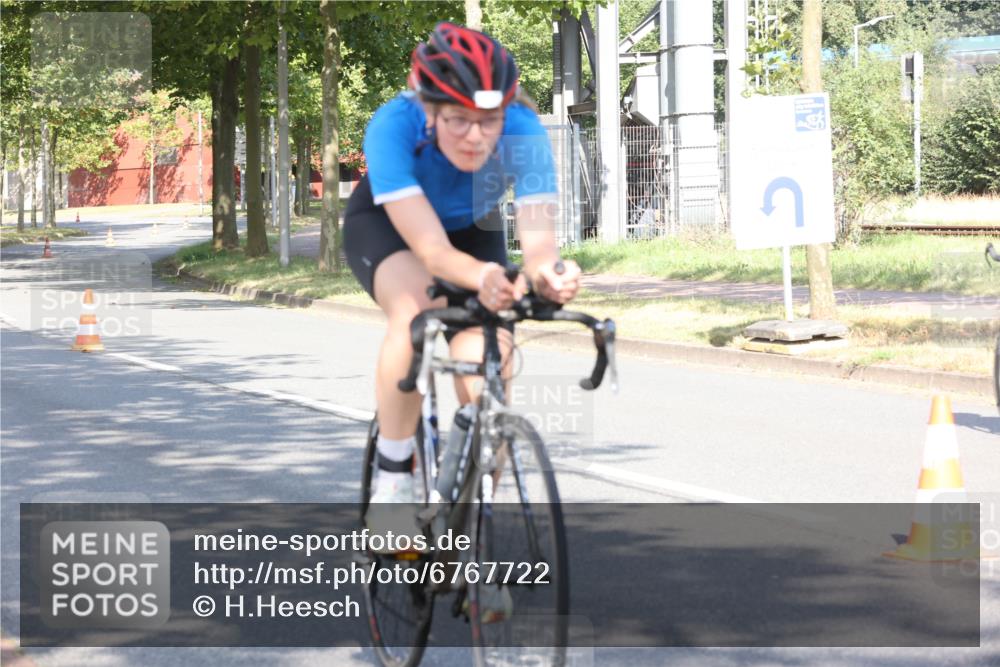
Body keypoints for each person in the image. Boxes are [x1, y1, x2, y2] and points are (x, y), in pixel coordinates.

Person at [344, 23, 581, 561]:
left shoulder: (523, 130)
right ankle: (393, 479)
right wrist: (486, 277)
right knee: (416, 311)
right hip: (391, 227)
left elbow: (539, 245)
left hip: (474, 228)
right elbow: (431, 253)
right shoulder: (393, 126)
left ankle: (474, 523)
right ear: (427, 108)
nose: (475, 136)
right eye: (457, 119)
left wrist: (550, 274)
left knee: (490, 355)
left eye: (488, 121)